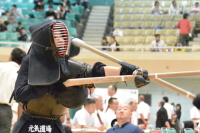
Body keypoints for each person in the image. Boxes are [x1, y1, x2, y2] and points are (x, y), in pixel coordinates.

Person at [11, 20, 149, 133]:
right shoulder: (30, 62)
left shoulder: (65, 64)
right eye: (56, 37)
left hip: (54, 124)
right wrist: (49, 87)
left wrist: (129, 72)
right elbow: (19, 94)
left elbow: (96, 71)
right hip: (30, 124)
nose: (61, 40)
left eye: (61, 36)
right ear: (45, 40)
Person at [0, 48, 26, 133]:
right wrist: (19, 121)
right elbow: (21, 102)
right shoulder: (21, 76)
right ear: (22, 63)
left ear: (10, 57)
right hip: (5, 110)